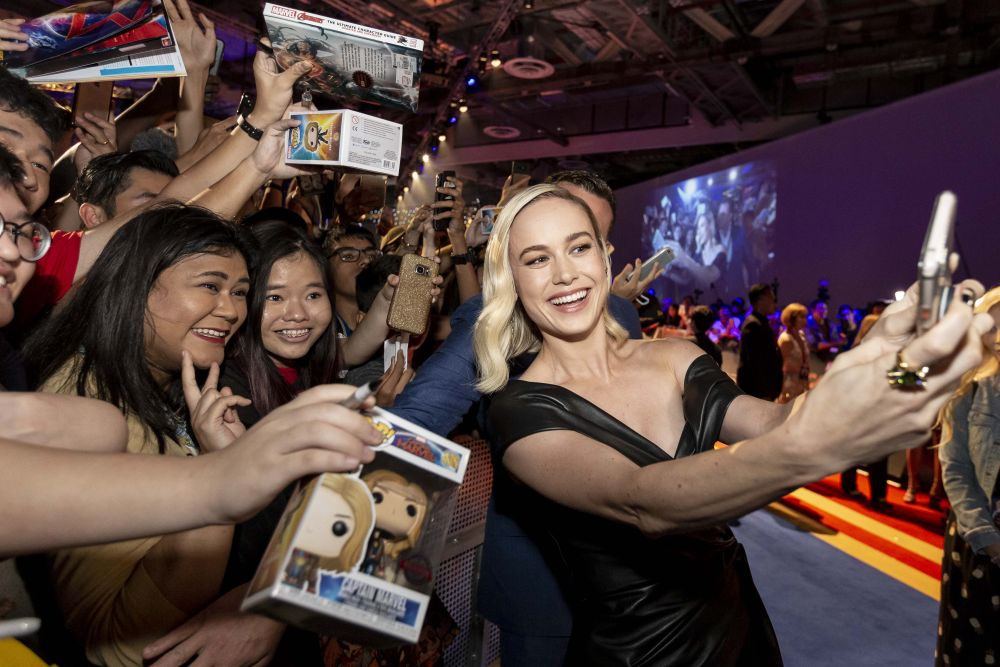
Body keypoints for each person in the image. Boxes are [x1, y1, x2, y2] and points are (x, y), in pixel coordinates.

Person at [475, 183, 988, 666]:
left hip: (738, 622)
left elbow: (771, 420)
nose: (565, 274)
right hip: (637, 650)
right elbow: (643, 500)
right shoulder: (517, 411)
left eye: (578, 247)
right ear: (512, 282)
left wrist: (884, 365)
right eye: (537, 259)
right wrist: (814, 445)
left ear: (606, 259)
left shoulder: (674, 357)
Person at [21, 205, 382, 666]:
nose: (231, 310)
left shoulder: (180, 384)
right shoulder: (88, 410)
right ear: (138, 283)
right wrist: (222, 479)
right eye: (210, 286)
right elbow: (116, 645)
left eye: (239, 292)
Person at [390, 170, 643, 665]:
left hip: (634, 584)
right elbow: (415, 421)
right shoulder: (492, 321)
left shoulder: (625, 317)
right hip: (539, 576)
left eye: (582, 242)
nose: (565, 269)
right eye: (541, 248)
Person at [935, 286, 1000, 667]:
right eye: (990, 329)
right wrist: (990, 542)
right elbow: (955, 469)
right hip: (980, 541)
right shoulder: (970, 388)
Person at [737, 283, 783, 400]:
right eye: (771, 298)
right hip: (758, 391)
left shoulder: (762, 322)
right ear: (760, 300)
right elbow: (755, 363)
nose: (774, 301)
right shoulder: (753, 324)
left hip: (763, 390)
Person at [777, 303, 810, 403]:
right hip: (788, 383)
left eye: (805, 317)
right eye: (801, 317)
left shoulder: (801, 335)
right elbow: (778, 364)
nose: (805, 320)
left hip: (802, 381)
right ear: (791, 318)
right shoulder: (786, 339)